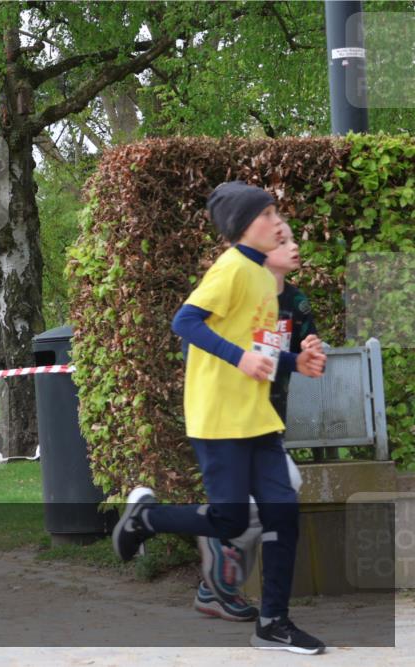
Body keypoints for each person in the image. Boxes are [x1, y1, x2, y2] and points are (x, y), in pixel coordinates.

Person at [112, 181, 327, 654]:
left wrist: (296, 363)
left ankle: (273, 623)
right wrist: (239, 359)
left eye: (275, 212)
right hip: (219, 418)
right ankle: (147, 518)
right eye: (267, 214)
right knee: (230, 520)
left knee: (282, 515)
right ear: (243, 227)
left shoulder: (264, 280)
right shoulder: (230, 269)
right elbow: (184, 323)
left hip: (258, 418)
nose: (277, 221)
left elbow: (262, 350)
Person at [193, 221, 323, 623]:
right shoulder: (239, 286)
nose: (295, 245)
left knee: (270, 499)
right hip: (230, 418)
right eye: (284, 239)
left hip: (267, 419)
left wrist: (310, 353)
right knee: (276, 494)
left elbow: (305, 355)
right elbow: (197, 336)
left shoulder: (296, 302)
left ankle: (216, 582)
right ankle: (216, 549)